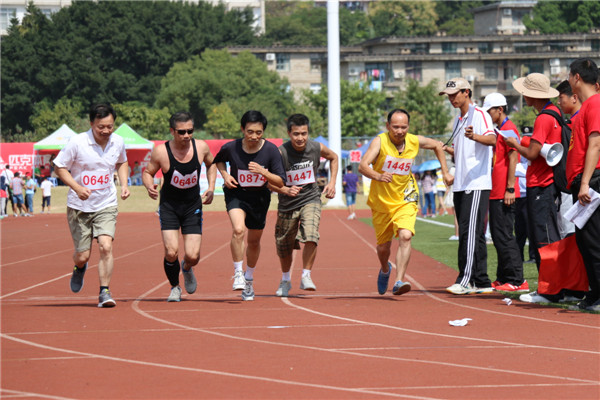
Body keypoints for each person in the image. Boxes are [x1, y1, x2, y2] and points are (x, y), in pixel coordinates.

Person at [359, 109, 453, 296]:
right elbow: (363, 165)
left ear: (408, 127)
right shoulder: (379, 141)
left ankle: (399, 280)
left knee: (405, 235)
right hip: (382, 202)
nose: (400, 131)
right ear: (388, 126)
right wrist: (378, 175)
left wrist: (445, 171)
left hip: (406, 197)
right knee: (383, 247)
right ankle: (385, 268)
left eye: (404, 127)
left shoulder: (414, 140)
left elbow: (436, 145)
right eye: (395, 127)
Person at [505, 73, 577, 303]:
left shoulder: (543, 118)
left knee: (544, 240)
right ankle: (556, 288)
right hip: (549, 184)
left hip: (541, 184)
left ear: (530, 95)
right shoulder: (555, 113)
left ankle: (550, 291)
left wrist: (515, 143)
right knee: (551, 238)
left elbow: (533, 154)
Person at [53, 103, 130, 308]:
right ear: (91, 124)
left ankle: (104, 291)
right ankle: (80, 267)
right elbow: (59, 167)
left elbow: (122, 162)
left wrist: (124, 184)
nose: (106, 131)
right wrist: (77, 187)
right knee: (82, 255)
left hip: (106, 203)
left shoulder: (118, 142)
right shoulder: (77, 142)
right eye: (101, 127)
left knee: (106, 246)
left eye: (110, 126)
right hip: (79, 206)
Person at [142, 111, 217, 302]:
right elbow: (148, 172)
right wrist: (149, 185)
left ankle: (187, 267)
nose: (186, 136)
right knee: (171, 251)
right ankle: (175, 287)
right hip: (169, 206)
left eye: (190, 131)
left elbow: (212, 164)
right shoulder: (161, 152)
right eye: (181, 132)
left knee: (193, 255)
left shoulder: (201, 147)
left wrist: (211, 187)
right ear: (172, 131)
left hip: (192, 206)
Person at [214, 110, 286, 301]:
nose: (254, 136)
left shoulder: (271, 151)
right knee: (238, 230)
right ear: (242, 129)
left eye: (259, 132)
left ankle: (249, 279)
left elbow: (280, 182)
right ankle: (238, 272)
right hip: (236, 193)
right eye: (250, 131)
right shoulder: (231, 147)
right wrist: (226, 175)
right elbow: (218, 161)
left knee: (253, 242)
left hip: (260, 198)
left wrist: (264, 172)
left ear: (264, 132)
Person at [269, 113, 338, 297]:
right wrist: (284, 190)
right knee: (284, 245)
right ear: (289, 133)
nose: (300, 138)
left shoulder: (316, 148)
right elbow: (266, 179)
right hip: (287, 204)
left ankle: (306, 275)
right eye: (296, 134)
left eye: (304, 134)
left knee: (311, 234)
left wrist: (332, 183)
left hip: (311, 198)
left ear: (308, 133)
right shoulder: (280, 152)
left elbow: (334, 157)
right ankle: (285, 280)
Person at [439, 77, 496, 295]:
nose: (451, 98)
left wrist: (476, 136)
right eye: (448, 95)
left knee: (469, 234)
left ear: (467, 92)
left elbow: (492, 140)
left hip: (476, 182)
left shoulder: (480, 114)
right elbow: (464, 151)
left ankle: (465, 280)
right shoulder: (457, 120)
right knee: (471, 232)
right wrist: (450, 150)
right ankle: (481, 280)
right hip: (462, 183)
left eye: (455, 94)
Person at [482, 92, 528, 292]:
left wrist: (510, 188)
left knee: (504, 236)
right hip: (497, 190)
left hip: (504, 191)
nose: (487, 115)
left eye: (489, 111)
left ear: (499, 110)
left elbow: (513, 159)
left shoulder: (508, 129)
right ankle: (502, 278)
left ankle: (518, 280)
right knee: (499, 236)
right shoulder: (501, 129)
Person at [566, 58, 600, 311]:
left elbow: (595, 144)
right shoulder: (587, 106)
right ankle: (595, 292)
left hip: (593, 180)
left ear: (577, 77)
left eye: (569, 75)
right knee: (585, 240)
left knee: (593, 241)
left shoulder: (596, 103)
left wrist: (585, 182)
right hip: (584, 180)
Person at [555, 79, 581, 238]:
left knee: (572, 234)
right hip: (570, 188)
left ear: (574, 97)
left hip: (577, 188)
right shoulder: (569, 123)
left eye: (561, 98)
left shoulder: (579, 122)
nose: (559, 102)